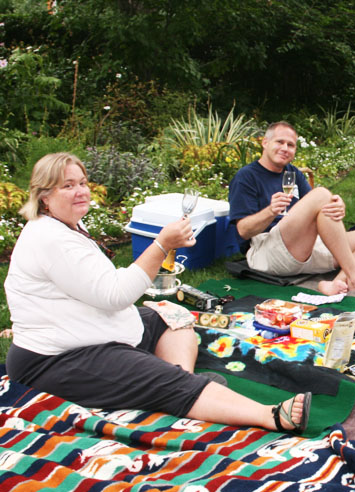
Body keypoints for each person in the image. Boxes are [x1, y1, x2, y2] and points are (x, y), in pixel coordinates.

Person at [4, 153, 311, 434]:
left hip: (90, 330)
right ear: (45, 198)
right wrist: (162, 244)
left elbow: (100, 286)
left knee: (171, 315)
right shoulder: (50, 240)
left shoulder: (66, 225)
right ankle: (271, 415)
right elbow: (116, 294)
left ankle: (179, 383)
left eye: (82, 182)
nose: (81, 191)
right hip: (55, 359)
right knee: (163, 377)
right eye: (67, 186)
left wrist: (163, 249)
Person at [230, 121, 355, 296]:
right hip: (267, 252)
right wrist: (270, 211)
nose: (285, 148)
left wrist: (337, 206)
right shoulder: (246, 177)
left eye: (291, 145)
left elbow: (318, 208)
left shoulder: (293, 173)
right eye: (279, 142)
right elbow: (243, 231)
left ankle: (338, 283)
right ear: (265, 143)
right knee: (321, 194)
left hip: (303, 248)